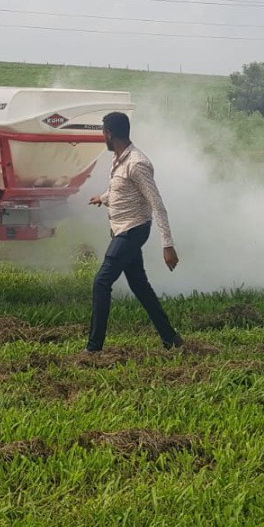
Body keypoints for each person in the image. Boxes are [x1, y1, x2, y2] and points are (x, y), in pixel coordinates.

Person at [85, 111, 182, 353]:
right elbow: (123, 191)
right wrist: (103, 198)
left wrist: (167, 244)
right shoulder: (120, 160)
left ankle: (94, 349)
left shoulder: (137, 163)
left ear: (109, 134)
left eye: (103, 133)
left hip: (133, 230)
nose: (102, 138)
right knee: (140, 285)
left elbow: (157, 204)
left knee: (101, 282)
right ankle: (172, 340)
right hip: (122, 229)